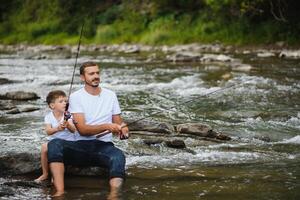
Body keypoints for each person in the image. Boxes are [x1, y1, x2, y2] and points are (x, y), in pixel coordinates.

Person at [47, 61, 129, 198]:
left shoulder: (111, 95)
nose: (95, 76)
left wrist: (123, 130)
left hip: (104, 147)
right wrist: (107, 126)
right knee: (54, 144)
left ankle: (114, 195)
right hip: (80, 147)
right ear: (83, 77)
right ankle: (60, 192)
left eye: (97, 73)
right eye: (91, 74)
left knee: (118, 156)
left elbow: (118, 123)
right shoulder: (75, 97)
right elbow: (83, 130)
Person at [35, 90, 76, 183]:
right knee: (44, 147)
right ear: (52, 105)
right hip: (53, 141)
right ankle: (45, 173)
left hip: (68, 142)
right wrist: (57, 128)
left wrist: (68, 125)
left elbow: (73, 130)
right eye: (61, 101)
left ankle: (55, 175)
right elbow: (48, 131)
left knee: (58, 153)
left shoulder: (68, 115)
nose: (64, 103)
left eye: (65, 101)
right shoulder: (48, 117)